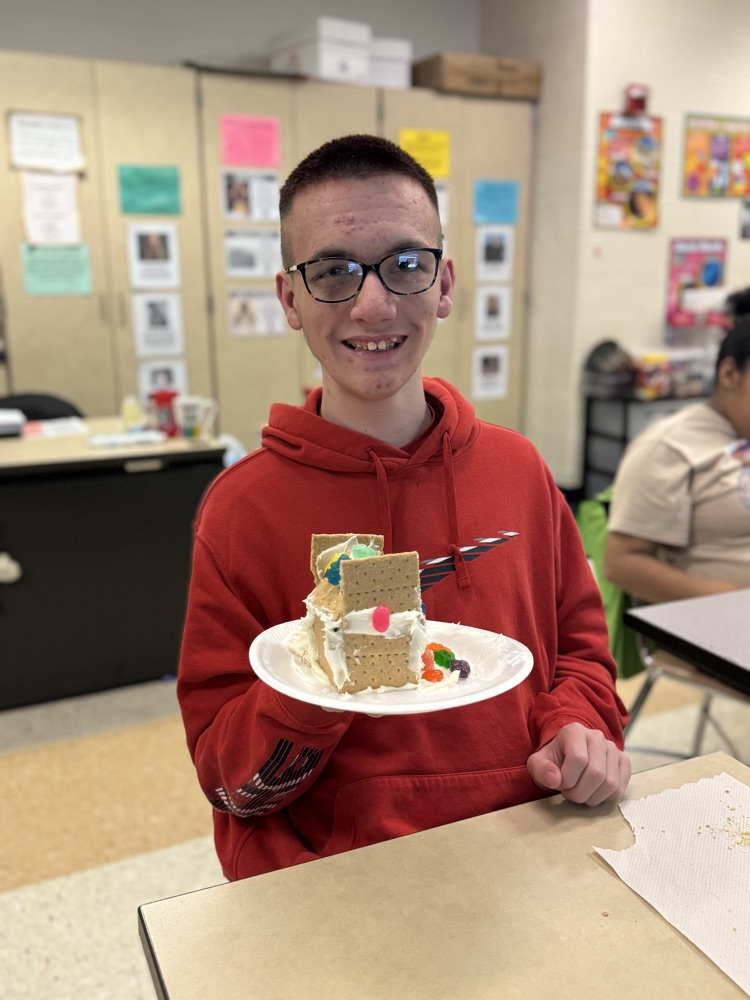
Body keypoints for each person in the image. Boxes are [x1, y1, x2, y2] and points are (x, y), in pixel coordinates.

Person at [176, 134, 630, 882]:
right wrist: (314, 687)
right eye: (332, 272)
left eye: (407, 265)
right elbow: (230, 784)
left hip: (531, 845)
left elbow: (582, 656)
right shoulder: (241, 511)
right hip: (338, 878)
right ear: (289, 298)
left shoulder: (518, 470)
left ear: (445, 284)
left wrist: (576, 730)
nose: (374, 303)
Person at [604, 319, 750, 604]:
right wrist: (734, 602)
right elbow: (621, 564)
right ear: (730, 374)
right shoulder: (669, 447)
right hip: (713, 629)